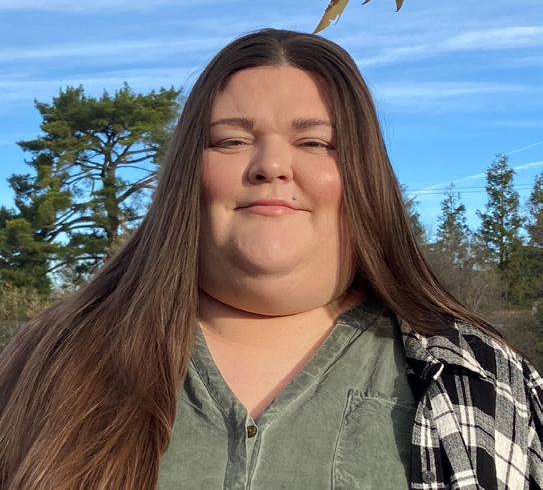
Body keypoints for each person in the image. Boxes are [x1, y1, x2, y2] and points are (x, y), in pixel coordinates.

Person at [0, 28, 541, 489]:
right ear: (188, 174)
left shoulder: (477, 379)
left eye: (315, 143)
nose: (271, 165)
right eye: (232, 141)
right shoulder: (52, 361)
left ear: (362, 175)